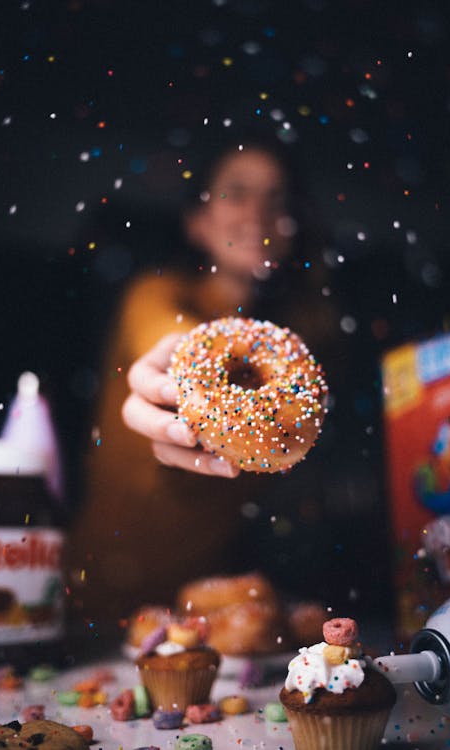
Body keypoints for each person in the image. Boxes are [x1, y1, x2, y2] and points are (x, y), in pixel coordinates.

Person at [67, 128, 366, 636]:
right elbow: (165, 337)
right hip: (91, 596)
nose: (257, 214)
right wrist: (176, 362)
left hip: (204, 612)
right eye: (237, 192)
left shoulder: (300, 352)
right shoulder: (155, 293)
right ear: (199, 222)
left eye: (276, 198)